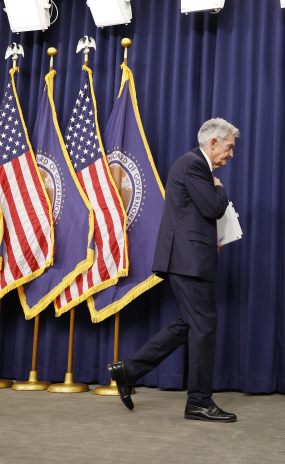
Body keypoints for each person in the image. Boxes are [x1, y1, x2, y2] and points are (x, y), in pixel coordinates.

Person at [108, 118, 239, 423]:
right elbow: (213, 208)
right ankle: (199, 402)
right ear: (214, 142)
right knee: (204, 327)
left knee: (189, 324)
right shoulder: (193, 165)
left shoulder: (195, 167)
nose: (231, 154)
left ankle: (128, 370)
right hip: (188, 261)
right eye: (229, 147)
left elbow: (196, 214)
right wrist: (220, 190)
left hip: (190, 260)